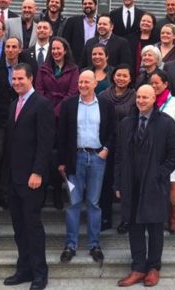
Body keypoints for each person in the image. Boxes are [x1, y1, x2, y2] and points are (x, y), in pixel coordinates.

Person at [114, 85, 175, 287]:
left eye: (145, 97)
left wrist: (161, 173)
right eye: (139, 97)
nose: (141, 101)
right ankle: (138, 267)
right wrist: (118, 183)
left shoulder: (166, 123)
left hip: (154, 184)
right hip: (131, 183)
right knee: (134, 227)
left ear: (154, 99)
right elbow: (118, 156)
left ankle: (153, 267)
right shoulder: (126, 123)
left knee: (154, 227)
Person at [3, 64, 55, 290]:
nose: (16, 83)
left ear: (31, 78)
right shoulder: (13, 104)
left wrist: (38, 171)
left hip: (32, 178)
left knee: (32, 227)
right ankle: (23, 269)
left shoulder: (42, 104)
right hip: (14, 177)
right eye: (14, 79)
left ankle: (39, 273)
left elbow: (46, 142)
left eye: (20, 79)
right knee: (19, 227)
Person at [57, 71, 115, 264]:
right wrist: (62, 161)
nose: (82, 85)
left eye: (86, 82)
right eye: (80, 82)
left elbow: (112, 131)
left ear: (95, 83)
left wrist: (106, 150)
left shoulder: (106, 104)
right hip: (75, 159)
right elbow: (62, 134)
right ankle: (70, 245)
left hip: (97, 158)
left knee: (94, 203)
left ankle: (94, 245)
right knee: (73, 203)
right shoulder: (69, 104)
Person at [0, 37, 37, 212]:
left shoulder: (27, 69)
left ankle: (5, 193)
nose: (10, 50)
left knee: (10, 157)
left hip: (19, 120)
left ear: (20, 49)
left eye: (14, 47)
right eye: (7, 46)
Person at [35, 37, 79, 209]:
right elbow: (39, 90)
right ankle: (43, 189)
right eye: (53, 49)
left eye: (58, 48)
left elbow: (72, 93)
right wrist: (48, 111)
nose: (55, 52)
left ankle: (58, 192)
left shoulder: (73, 69)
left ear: (65, 50)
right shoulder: (43, 68)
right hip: (44, 117)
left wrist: (56, 111)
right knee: (45, 153)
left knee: (60, 156)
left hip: (64, 118)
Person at [99, 65, 137, 233]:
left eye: (125, 76)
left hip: (128, 145)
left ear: (130, 79)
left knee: (126, 183)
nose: (121, 78)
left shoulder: (135, 96)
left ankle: (126, 220)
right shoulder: (103, 95)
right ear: (113, 77)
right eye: (118, 75)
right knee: (105, 183)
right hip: (107, 144)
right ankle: (105, 218)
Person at [149, 70, 175, 235]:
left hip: (171, 153)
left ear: (165, 84)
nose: (154, 86)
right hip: (150, 152)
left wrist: (174, 149)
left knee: (172, 184)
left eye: (157, 83)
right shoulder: (147, 100)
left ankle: (173, 218)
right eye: (151, 83)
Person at [62, 0, 99, 64]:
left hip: (97, 60)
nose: (87, 5)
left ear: (96, 5)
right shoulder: (72, 22)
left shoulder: (101, 22)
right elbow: (65, 42)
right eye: (85, 4)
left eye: (90, 3)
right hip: (76, 62)